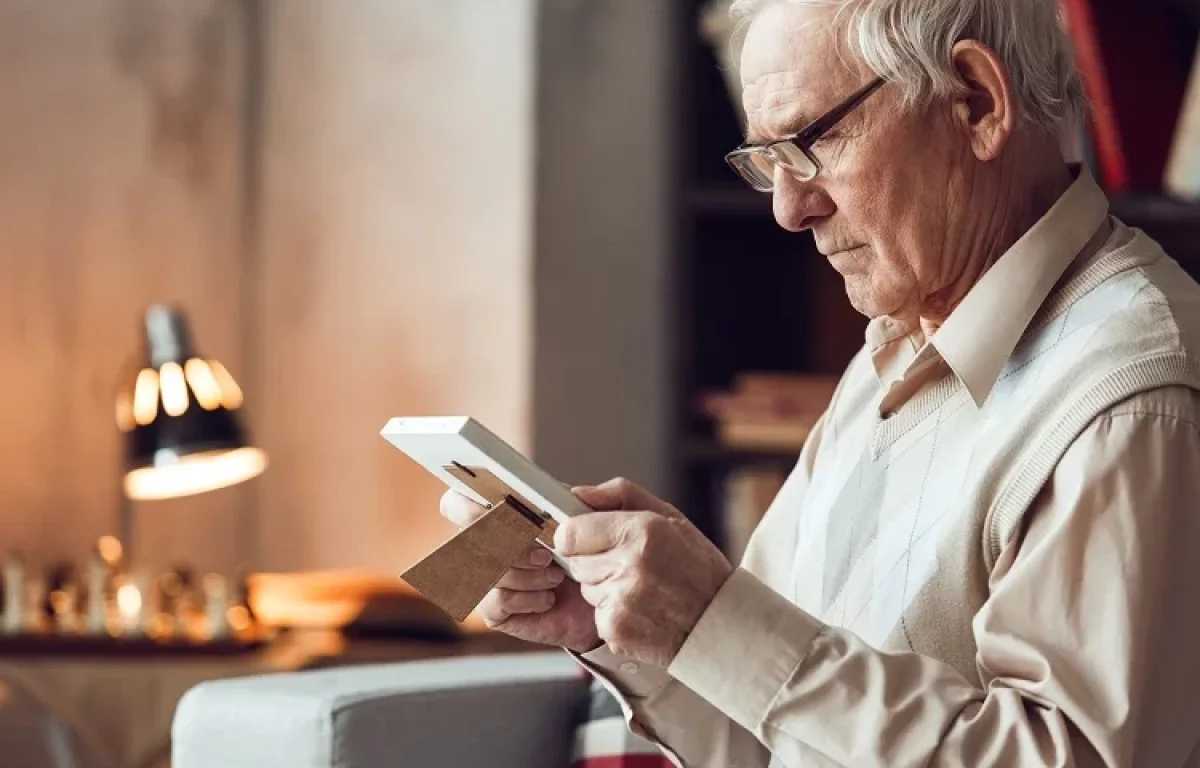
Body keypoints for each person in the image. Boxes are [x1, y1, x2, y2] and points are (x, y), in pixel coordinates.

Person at [441, 0, 1200, 765]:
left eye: (812, 142)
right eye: (767, 161)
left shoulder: (1131, 399)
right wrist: (625, 625)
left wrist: (720, 622)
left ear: (975, 101)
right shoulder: (895, 356)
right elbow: (768, 737)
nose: (789, 209)